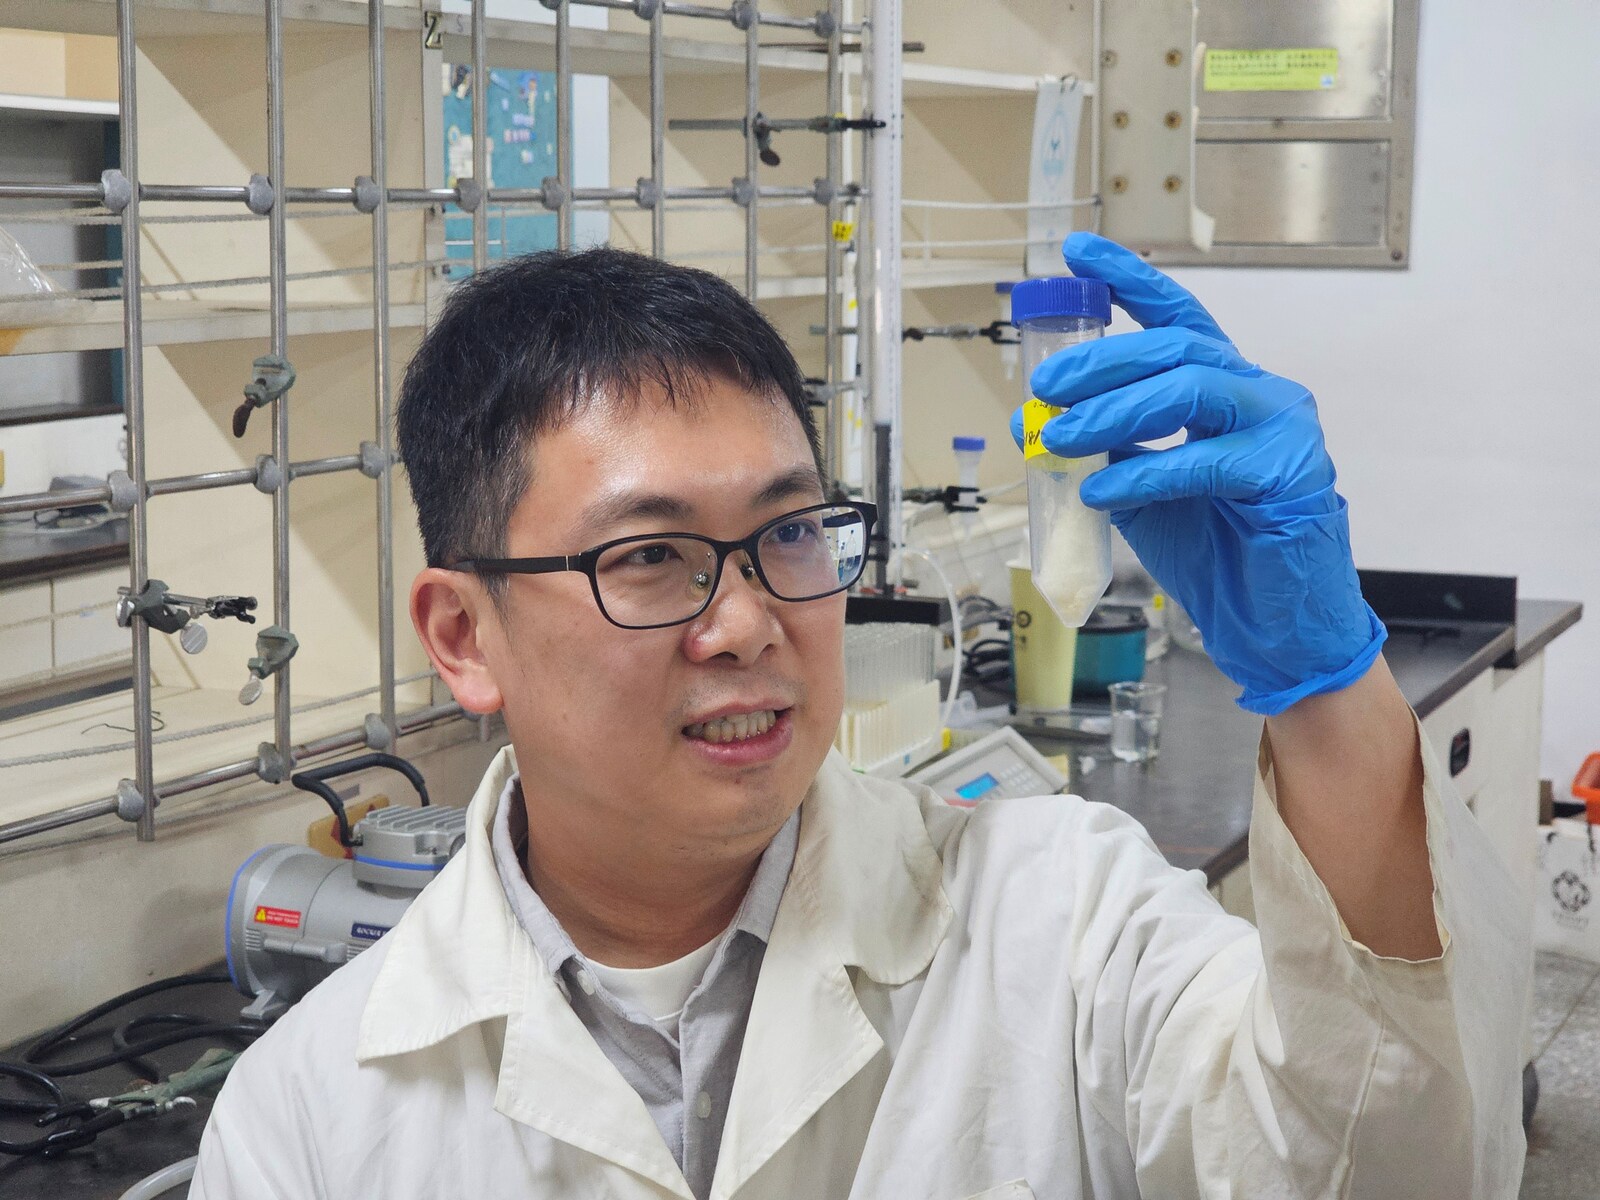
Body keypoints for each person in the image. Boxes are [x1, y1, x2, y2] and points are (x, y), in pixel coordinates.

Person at [189, 236, 1528, 1199]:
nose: (748, 620)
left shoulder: (1063, 918)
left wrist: (1329, 688)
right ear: (463, 636)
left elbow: (1382, 1160)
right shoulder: (311, 1121)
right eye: (650, 556)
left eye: (790, 531)